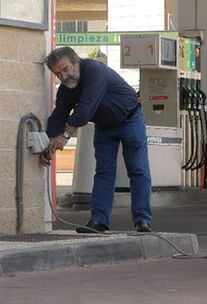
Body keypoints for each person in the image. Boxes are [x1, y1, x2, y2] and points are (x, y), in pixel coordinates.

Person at [40, 47, 152, 233]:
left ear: (77, 62)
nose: (64, 76)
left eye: (66, 69)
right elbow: (58, 116)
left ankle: (142, 220)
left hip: (130, 118)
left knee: (138, 169)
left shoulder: (94, 70)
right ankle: (99, 221)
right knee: (103, 172)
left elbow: (85, 109)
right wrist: (47, 145)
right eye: (58, 73)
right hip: (104, 125)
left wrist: (65, 136)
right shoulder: (66, 90)